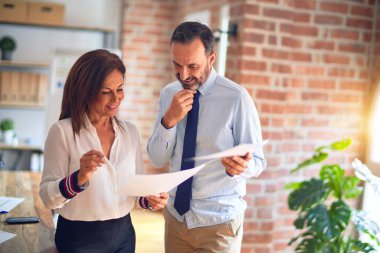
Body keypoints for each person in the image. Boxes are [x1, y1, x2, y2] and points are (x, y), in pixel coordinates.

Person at [147, 22, 267, 252]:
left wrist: (239, 167)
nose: (183, 74)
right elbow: (156, 158)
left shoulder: (236, 98)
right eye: (176, 64)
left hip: (218, 224)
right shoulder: (168, 94)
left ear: (211, 59)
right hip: (175, 219)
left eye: (192, 66)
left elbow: (258, 162)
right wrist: (168, 121)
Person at [40, 49, 168, 253]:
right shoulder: (62, 132)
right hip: (79, 239)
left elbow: (135, 190)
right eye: (106, 92)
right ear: (85, 91)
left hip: (124, 235)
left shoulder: (130, 132)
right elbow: (48, 198)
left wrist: (150, 200)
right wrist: (79, 178)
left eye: (120, 89)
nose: (116, 99)